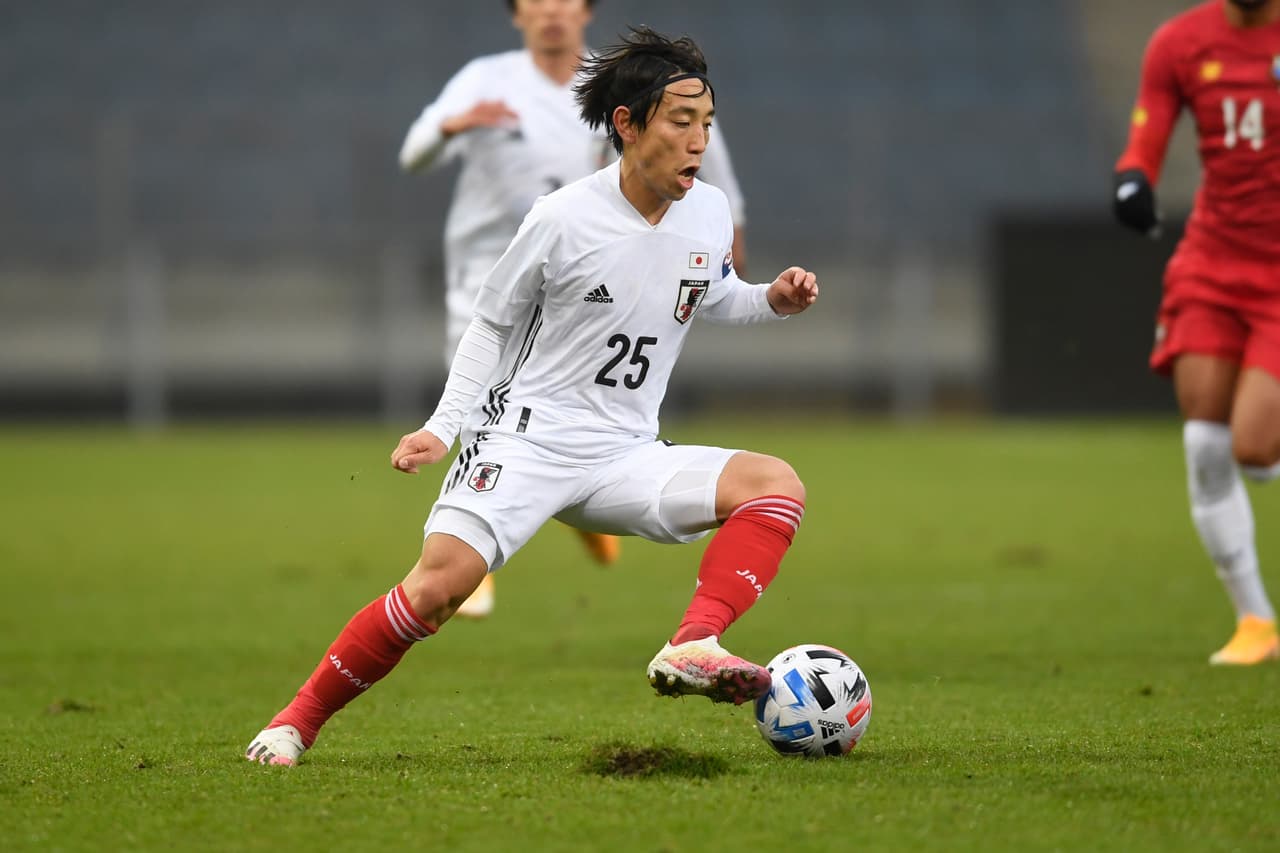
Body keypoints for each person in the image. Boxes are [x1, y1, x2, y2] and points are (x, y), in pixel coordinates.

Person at [245, 26, 818, 767]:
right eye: (681, 122)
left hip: (626, 454)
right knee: (438, 590)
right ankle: (295, 720)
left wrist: (769, 298)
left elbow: (709, 297)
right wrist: (442, 427)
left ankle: (693, 641)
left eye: (705, 124)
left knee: (776, 485)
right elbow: (490, 322)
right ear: (628, 123)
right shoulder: (561, 218)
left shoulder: (706, 211)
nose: (698, 141)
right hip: (524, 441)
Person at [398, 0, 750, 618]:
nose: (552, 12)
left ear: (585, 12)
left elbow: (700, 153)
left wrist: (730, 231)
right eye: (537, 2)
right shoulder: (487, 78)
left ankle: (570, 497)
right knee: (482, 403)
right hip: (492, 272)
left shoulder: (635, 88)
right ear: (518, 15)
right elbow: (413, 154)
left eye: (565, 1)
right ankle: (469, 561)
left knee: (563, 407)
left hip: (589, 275)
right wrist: (455, 125)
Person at [1113, 0, 1280, 665]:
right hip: (1212, 260)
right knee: (1205, 442)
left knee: (1254, 444)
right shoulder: (1181, 42)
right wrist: (1134, 179)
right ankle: (1255, 622)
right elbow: (1147, 132)